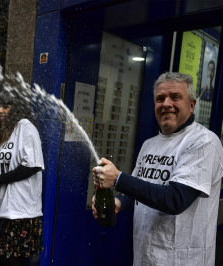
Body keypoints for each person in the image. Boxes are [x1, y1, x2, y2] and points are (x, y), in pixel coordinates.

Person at [92, 72, 223, 266]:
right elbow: (138, 192)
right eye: (160, 99)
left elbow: (176, 199)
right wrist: (119, 201)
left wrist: (119, 179)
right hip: (145, 257)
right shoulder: (149, 144)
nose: (166, 104)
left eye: (175, 97)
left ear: (192, 104)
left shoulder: (204, 142)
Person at [0, 88, 45, 266]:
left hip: (20, 213)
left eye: (5, 107)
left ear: (17, 108)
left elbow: (32, 165)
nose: (0, 111)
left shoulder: (25, 127)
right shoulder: (3, 133)